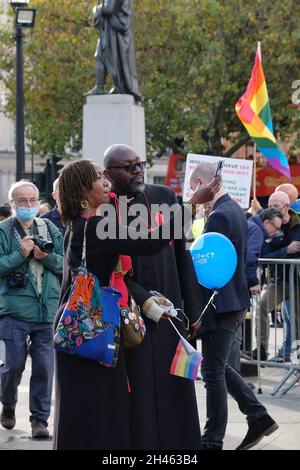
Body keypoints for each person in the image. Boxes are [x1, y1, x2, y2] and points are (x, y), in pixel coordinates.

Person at [53, 158, 217, 450]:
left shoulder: (81, 225)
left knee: (89, 412)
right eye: (98, 179)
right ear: (82, 191)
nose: (106, 183)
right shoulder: (96, 228)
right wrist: (192, 204)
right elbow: (149, 243)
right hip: (94, 331)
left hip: (83, 329)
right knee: (101, 411)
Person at [103, 144, 220, 450]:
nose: (137, 169)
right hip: (134, 316)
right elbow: (114, 269)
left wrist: (193, 310)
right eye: (128, 167)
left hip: (171, 316)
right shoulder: (106, 210)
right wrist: (142, 298)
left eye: (139, 163)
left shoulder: (164, 197)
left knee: (175, 389)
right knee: (140, 393)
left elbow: (182, 257)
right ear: (108, 174)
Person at [189, 163, 278, 451]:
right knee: (218, 366)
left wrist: (200, 312)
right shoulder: (234, 211)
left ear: (203, 182)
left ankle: (213, 439)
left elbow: (209, 271)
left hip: (221, 303)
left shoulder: (219, 217)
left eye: (193, 188)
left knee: (213, 372)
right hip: (232, 301)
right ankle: (258, 416)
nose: (193, 194)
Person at [0, 181, 63, 439]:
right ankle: (9, 404)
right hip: (14, 310)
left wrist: (44, 256)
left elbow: (64, 264)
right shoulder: (3, 230)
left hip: (47, 310)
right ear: (12, 204)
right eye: (22, 201)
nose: (28, 205)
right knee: (13, 365)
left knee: (44, 368)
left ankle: (40, 420)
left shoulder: (49, 228)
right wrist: (20, 254)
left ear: (39, 201)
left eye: (32, 200)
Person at [253, 191, 300, 360]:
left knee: (296, 322)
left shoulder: (297, 222)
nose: (272, 209)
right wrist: (285, 251)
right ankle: (262, 351)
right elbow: (264, 256)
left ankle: (295, 361)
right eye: (270, 205)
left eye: (275, 206)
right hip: (277, 280)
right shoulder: (269, 224)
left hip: (297, 282)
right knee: (262, 308)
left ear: (286, 206)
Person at [85, 0, 142, 101]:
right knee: (100, 56)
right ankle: (101, 87)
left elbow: (108, 9)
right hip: (109, 29)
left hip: (114, 32)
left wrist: (96, 9)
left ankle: (112, 86)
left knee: (110, 58)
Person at [246, 208, 284, 295]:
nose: (276, 232)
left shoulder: (250, 224)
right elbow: (250, 257)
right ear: (266, 222)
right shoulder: (257, 230)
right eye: (276, 227)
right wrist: (254, 282)